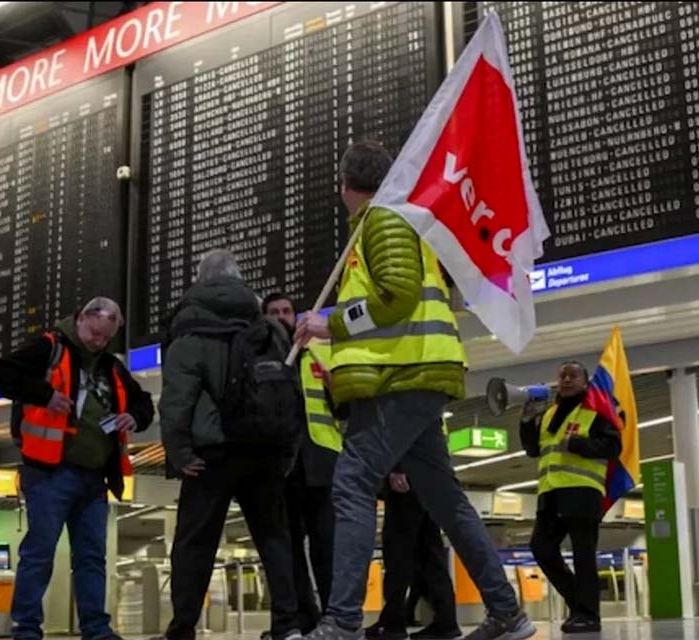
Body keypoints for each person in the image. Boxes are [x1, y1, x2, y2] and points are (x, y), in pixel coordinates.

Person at [294, 141, 534, 640]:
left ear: (345, 186)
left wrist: (330, 324)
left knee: (352, 484)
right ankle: (507, 612)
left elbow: (398, 298)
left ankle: (340, 621)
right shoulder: (394, 223)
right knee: (446, 500)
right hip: (417, 373)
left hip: (399, 375)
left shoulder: (383, 221)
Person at [0, 298, 154, 640]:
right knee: (40, 552)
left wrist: (134, 417)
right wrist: (44, 395)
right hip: (49, 472)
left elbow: (143, 401)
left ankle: (96, 628)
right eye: (94, 333)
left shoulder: (111, 366)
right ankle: (27, 628)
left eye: (106, 338)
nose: (97, 341)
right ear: (80, 320)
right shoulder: (48, 348)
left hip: (94, 477)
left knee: (92, 557)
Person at [159, 250, 301, 640]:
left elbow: (177, 399)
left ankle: (183, 627)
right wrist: (287, 452)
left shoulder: (189, 330)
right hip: (266, 451)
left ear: (200, 280)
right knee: (274, 538)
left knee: (195, 543)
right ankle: (287, 625)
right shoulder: (271, 328)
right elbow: (291, 394)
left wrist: (179, 452)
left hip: (212, 454)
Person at [519, 361, 622, 633]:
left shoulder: (595, 410)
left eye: (573, 375)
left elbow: (613, 446)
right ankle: (580, 604)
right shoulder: (550, 412)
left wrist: (577, 444)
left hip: (582, 491)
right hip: (550, 492)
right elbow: (532, 449)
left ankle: (588, 615)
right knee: (541, 547)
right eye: (562, 375)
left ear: (585, 382)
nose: (566, 379)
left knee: (583, 554)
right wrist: (527, 420)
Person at [263, 292, 341, 634]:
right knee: (289, 550)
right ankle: (303, 618)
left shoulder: (320, 355)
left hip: (322, 463)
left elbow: (343, 409)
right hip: (282, 468)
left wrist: (334, 386)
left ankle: (336, 616)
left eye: (287, 311)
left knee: (328, 548)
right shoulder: (261, 360)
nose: (282, 317)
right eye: (274, 313)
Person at [366, 474, 460, 640]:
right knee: (431, 555)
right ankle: (446, 621)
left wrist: (397, 468)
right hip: (429, 484)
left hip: (405, 484)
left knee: (398, 554)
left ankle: (392, 623)